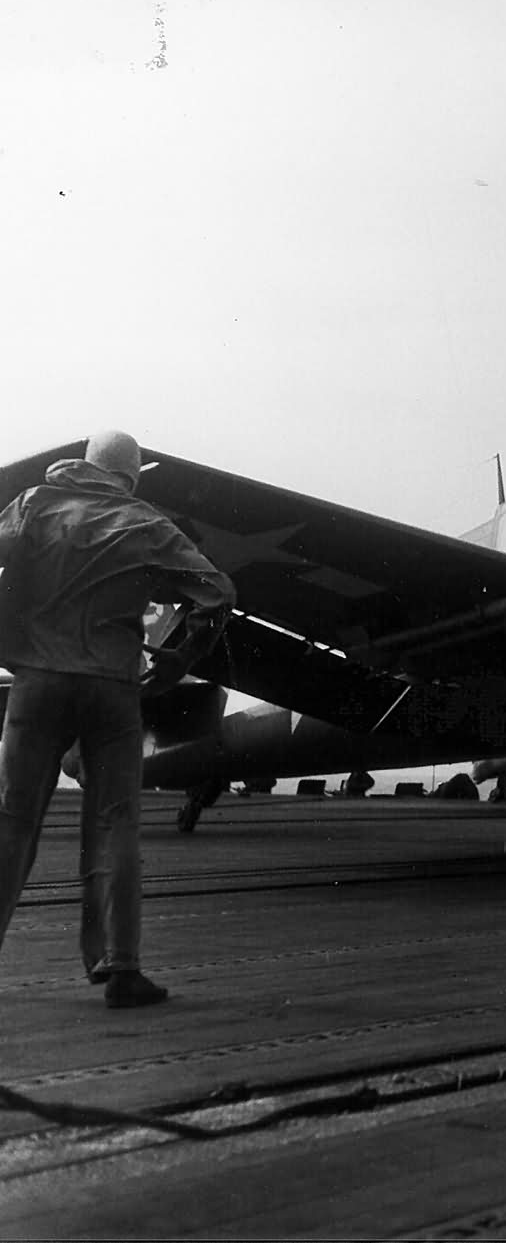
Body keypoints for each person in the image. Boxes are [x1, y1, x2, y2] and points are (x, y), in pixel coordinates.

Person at [0, 431, 234, 1007]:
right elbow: (216, 591)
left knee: (11, 822)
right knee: (117, 824)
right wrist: (181, 658)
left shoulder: (32, 505)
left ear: (84, 465)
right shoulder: (146, 521)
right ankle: (121, 968)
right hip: (111, 688)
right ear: (131, 476)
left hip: (35, 682)